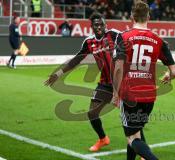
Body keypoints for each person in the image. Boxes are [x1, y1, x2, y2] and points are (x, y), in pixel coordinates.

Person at [45, 12, 120, 152]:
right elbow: (76, 59)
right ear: (91, 26)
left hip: (121, 82)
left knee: (130, 118)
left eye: (101, 24)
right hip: (105, 84)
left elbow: (133, 40)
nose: (99, 27)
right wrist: (58, 73)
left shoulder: (114, 35)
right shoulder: (89, 42)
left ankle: (141, 148)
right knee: (92, 113)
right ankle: (103, 139)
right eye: (96, 25)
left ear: (106, 25)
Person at [113, 1, 175, 160]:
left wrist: (115, 94)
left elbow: (118, 68)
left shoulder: (123, 37)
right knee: (135, 132)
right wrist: (167, 76)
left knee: (132, 138)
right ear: (148, 16)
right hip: (149, 96)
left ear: (131, 17)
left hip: (129, 95)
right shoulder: (158, 40)